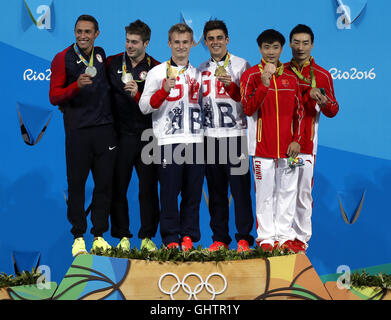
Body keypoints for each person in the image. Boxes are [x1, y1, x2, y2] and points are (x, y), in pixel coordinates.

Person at [49, 15, 117, 257]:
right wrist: (75, 85)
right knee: (76, 185)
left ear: (97, 33)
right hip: (77, 132)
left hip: (105, 131)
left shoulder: (100, 54)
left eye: (88, 31)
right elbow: (54, 96)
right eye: (79, 31)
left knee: (104, 185)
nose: (83, 36)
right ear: (74, 32)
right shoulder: (62, 58)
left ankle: (99, 235)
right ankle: (78, 236)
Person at [139, 23, 204, 251]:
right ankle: (170, 239)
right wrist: (163, 90)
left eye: (185, 42)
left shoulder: (198, 74)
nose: (181, 47)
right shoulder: (157, 72)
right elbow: (144, 106)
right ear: (169, 43)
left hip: (196, 141)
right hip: (168, 142)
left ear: (191, 44)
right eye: (176, 42)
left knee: (192, 193)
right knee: (168, 193)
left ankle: (188, 237)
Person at [240, 29, 304, 253]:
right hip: (261, 148)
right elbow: (248, 108)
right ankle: (266, 238)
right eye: (266, 47)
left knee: (287, 193)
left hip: (289, 150)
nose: (270, 52)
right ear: (260, 49)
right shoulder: (250, 77)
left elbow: (300, 113)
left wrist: (297, 140)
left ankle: (285, 236)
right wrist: (264, 84)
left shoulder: (291, 78)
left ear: (281, 49)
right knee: (265, 194)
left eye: (275, 47)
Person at [198, 19, 254, 252]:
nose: (215, 42)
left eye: (219, 38)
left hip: (236, 136)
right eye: (210, 39)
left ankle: (244, 237)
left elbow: (250, 101)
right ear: (206, 42)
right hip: (210, 137)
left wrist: (234, 86)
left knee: (240, 191)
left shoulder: (242, 65)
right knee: (216, 190)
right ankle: (220, 238)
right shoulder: (200, 69)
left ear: (227, 40)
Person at [106, 20, 160, 252]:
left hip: (148, 135)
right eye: (127, 40)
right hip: (120, 135)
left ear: (146, 43)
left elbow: (160, 104)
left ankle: (147, 236)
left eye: (135, 42)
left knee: (147, 188)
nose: (129, 45)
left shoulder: (157, 68)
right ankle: (122, 237)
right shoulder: (112, 63)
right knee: (118, 187)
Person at [285, 24, 339, 253]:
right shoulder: (280, 71)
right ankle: (280, 237)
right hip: (278, 143)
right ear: (290, 43)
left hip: (306, 144)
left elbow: (334, 110)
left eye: (305, 43)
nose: (300, 47)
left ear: (312, 45)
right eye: (296, 42)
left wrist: (324, 101)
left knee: (302, 193)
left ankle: (300, 240)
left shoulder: (323, 75)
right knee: (281, 192)